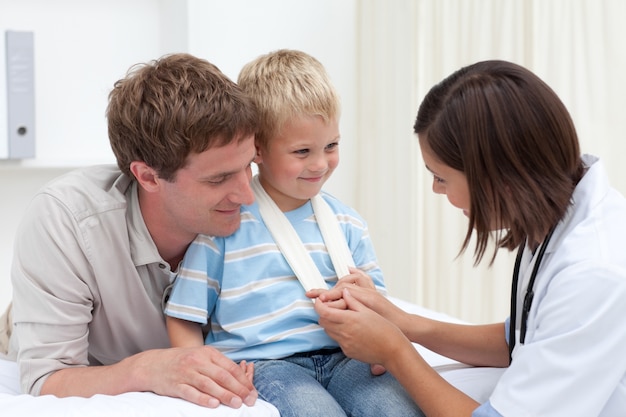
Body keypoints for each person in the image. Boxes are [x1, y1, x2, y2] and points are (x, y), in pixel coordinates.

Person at [309, 60, 626, 416]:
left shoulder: (593, 272)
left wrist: (394, 351)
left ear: (498, 177)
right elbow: (521, 337)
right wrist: (404, 322)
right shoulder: (560, 212)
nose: (435, 189)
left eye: (441, 177)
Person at [164, 49, 423, 417]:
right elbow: (184, 315)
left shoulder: (347, 223)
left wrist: (383, 345)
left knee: (396, 409)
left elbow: (377, 304)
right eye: (302, 151)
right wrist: (201, 368)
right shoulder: (222, 227)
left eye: (331, 146)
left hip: (346, 357)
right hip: (271, 364)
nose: (320, 164)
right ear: (258, 150)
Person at [4, 53, 261, 409]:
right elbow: (48, 378)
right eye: (218, 179)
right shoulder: (66, 219)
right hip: (42, 328)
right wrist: (146, 368)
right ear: (147, 177)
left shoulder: (261, 211)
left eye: (248, 166)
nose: (247, 195)